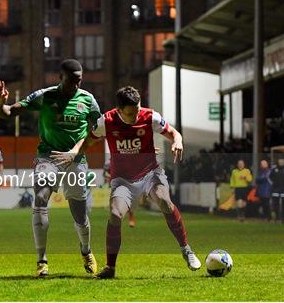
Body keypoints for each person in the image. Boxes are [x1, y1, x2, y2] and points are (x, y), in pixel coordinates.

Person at [54, 86, 201, 279]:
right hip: (123, 180)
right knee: (115, 214)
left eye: (138, 110)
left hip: (150, 174)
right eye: (131, 113)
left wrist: (178, 141)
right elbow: (87, 141)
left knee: (164, 201)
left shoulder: (150, 117)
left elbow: (174, 132)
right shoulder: (106, 122)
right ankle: (110, 268)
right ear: (120, 110)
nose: (136, 116)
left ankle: (186, 250)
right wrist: (73, 152)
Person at [0, 59, 101, 277]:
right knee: (40, 197)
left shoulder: (88, 100)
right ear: (60, 78)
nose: (76, 85)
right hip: (48, 157)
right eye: (71, 81)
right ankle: (42, 260)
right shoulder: (44, 95)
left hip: (75, 160)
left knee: (79, 214)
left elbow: (98, 130)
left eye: (79, 81)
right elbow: (9, 112)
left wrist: (76, 151)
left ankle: (86, 251)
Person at [269, 157, 284, 224]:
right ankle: (276, 218)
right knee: (275, 204)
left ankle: (283, 219)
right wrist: (272, 184)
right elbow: (268, 176)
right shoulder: (274, 168)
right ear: (278, 161)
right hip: (275, 190)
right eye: (280, 161)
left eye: (282, 161)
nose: (281, 162)